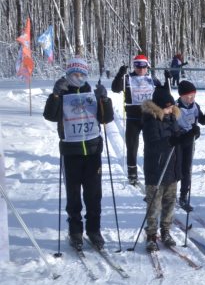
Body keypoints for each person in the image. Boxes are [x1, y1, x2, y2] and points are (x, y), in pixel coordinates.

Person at [43, 57, 114, 250]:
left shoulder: (91, 91)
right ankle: (75, 231)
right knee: (73, 195)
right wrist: (55, 95)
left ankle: (94, 230)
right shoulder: (63, 92)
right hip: (71, 151)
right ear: (68, 74)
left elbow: (106, 118)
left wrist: (104, 99)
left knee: (94, 195)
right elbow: (49, 115)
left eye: (82, 74)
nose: (79, 77)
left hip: (92, 151)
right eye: (75, 74)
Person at [142, 86, 192, 252]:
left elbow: (177, 139)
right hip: (156, 170)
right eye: (167, 107)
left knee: (170, 203)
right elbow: (155, 144)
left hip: (172, 169)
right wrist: (173, 141)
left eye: (172, 107)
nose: (171, 110)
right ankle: (151, 235)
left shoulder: (173, 119)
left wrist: (189, 136)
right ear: (158, 107)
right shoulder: (150, 121)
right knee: (154, 206)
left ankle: (165, 231)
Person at [111, 54, 162, 186]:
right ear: (134, 66)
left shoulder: (152, 79)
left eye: (143, 66)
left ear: (147, 66)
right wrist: (120, 74)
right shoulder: (127, 78)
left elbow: (162, 94)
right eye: (137, 66)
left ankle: (150, 171)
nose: (140, 69)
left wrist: (167, 81)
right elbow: (115, 89)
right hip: (133, 118)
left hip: (149, 118)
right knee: (132, 146)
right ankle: (132, 172)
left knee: (150, 147)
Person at [175, 80, 205, 212]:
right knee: (176, 168)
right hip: (178, 142)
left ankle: (183, 196)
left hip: (190, 141)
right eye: (188, 96)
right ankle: (166, 193)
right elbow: (171, 126)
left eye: (193, 96)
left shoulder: (195, 106)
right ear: (181, 96)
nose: (191, 99)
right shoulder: (175, 107)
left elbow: (202, 121)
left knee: (187, 169)